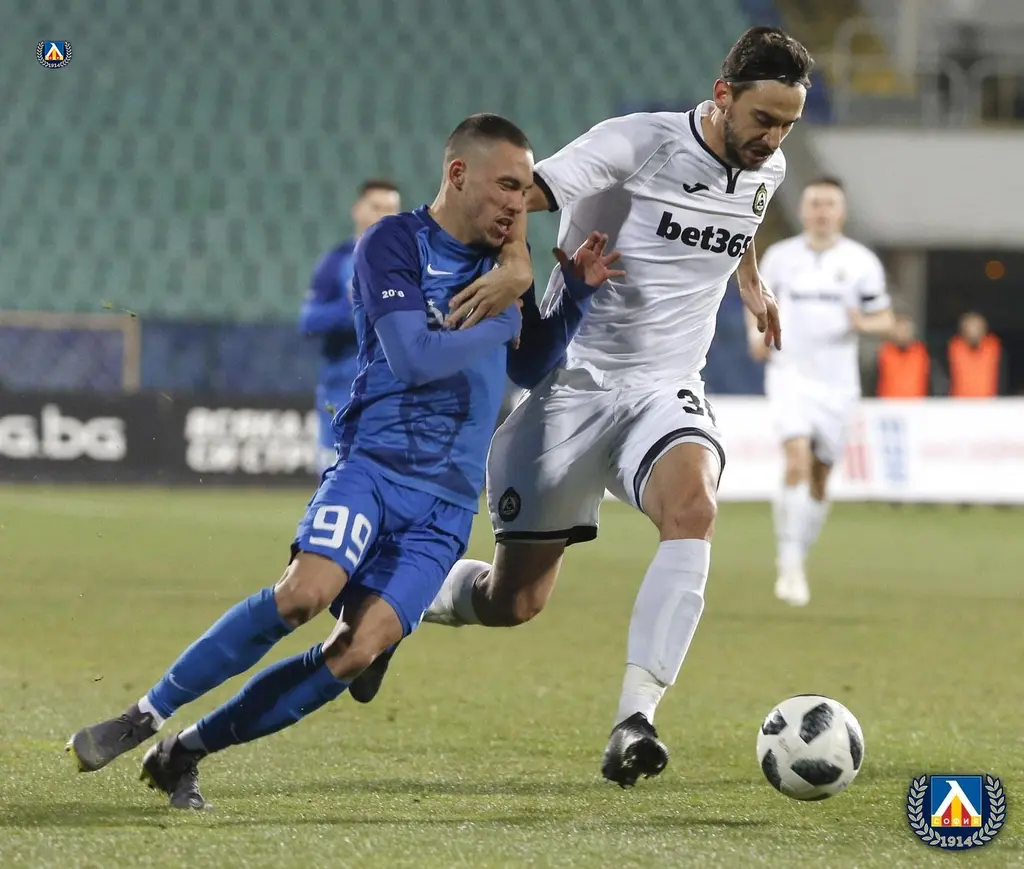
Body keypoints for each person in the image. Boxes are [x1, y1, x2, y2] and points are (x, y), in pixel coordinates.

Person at [65, 113, 623, 809]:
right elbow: (412, 358)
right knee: (303, 594)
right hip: (375, 467)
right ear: (458, 174)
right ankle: (143, 715)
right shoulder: (394, 243)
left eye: (526, 187)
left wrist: (575, 297)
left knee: (356, 650)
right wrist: (502, 318)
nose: (522, 200)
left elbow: (530, 364)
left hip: (448, 502)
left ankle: (185, 752)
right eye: (508, 185)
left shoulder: (508, 260)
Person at [351, 26, 806, 789]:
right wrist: (517, 263)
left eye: (788, 124)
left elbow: (745, 212)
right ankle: (398, 602)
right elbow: (517, 195)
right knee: (513, 600)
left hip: (666, 386)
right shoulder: (635, 144)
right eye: (763, 119)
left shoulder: (768, 165)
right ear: (722, 96)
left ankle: (636, 719)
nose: (774, 138)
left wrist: (749, 281)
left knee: (693, 507)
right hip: (572, 384)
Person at [751, 177, 893, 607]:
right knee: (795, 458)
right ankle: (789, 563)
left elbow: (885, 319)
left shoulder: (860, 262)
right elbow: (756, 301)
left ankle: (798, 553)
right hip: (789, 373)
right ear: (803, 209)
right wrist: (756, 336)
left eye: (829, 204)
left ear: (841, 212)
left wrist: (862, 323)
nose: (821, 211)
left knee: (819, 477)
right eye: (814, 203)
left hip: (837, 384)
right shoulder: (780, 258)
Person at [300, 179, 401, 469]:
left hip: (394, 390)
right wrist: (351, 307)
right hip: (342, 388)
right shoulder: (336, 261)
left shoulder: (411, 262)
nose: (384, 215)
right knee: (335, 475)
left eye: (391, 209)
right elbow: (308, 322)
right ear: (358, 210)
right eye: (376, 207)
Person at [876, 314, 931, 398]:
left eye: (906, 330)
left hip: (916, 403)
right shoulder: (885, 352)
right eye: (900, 330)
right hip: (888, 402)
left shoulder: (921, 352)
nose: (903, 334)